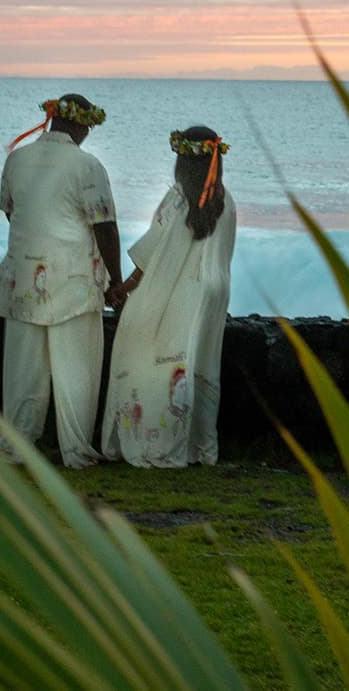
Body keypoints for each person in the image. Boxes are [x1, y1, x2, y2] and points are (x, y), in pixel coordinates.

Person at [0, 93, 123, 468]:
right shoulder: (87, 165)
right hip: (73, 281)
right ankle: (76, 449)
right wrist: (116, 280)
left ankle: (16, 446)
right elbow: (105, 227)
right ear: (80, 124)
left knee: (22, 373)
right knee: (76, 370)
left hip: (23, 281)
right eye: (88, 127)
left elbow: (12, 213)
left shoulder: (17, 159)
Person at [102, 125, 236, 467]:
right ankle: (199, 446)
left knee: (154, 356)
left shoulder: (177, 198)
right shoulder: (226, 200)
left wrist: (125, 287)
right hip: (213, 289)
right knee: (200, 363)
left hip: (181, 287)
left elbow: (153, 252)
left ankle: (156, 439)